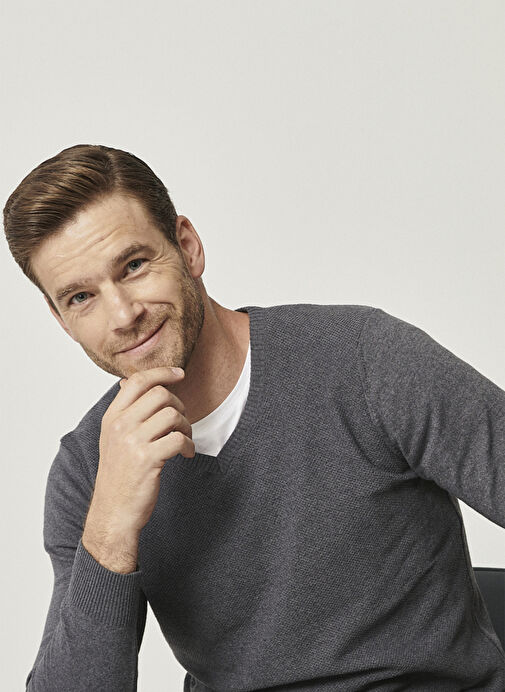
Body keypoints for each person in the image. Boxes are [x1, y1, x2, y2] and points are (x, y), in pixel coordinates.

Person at [4, 144, 504, 691]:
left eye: (135, 265)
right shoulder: (88, 470)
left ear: (187, 247)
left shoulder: (362, 360)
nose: (124, 315)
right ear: (61, 320)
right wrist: (110, 528)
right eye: (81, 297)